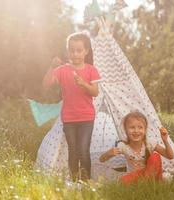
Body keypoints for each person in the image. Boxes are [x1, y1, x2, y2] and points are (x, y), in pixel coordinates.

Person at [42, 32, 101, 181]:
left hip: (87, 118)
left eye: (79, 50)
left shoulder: (91, 70)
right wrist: (51, 67)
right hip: (69, 119)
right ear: (68, 51)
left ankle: (86, 182)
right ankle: (75, 182)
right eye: (71, 50)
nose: (75, 54)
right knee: (73, 152)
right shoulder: (62, 70)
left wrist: (83, 84)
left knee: (83, 150)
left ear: (86, 51)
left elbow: (95, 92)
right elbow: (46, 84)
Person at [99, 111, 174, 184]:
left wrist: (165, 141)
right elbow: (101, 159)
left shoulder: (149, 143)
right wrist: (109, 153)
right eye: (132, 127)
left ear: (145, 130)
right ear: (126, 130)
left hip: (152, 174)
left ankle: (148, 182)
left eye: (140, 127)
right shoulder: (123, 146)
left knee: (155, 156)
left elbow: (170, 156)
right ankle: (147, 182)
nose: (136, 131)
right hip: (136, 176)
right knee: (122, 181)